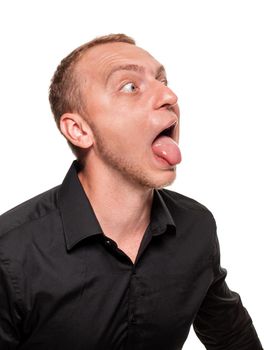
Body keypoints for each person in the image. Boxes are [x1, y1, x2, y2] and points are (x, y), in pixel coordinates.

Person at [0, 33, 262, 350]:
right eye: (130, 86)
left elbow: (231, 337)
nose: (169, 95)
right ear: (80, 130)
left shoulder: (196, 227)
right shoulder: (11, 253)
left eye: (162, 81)